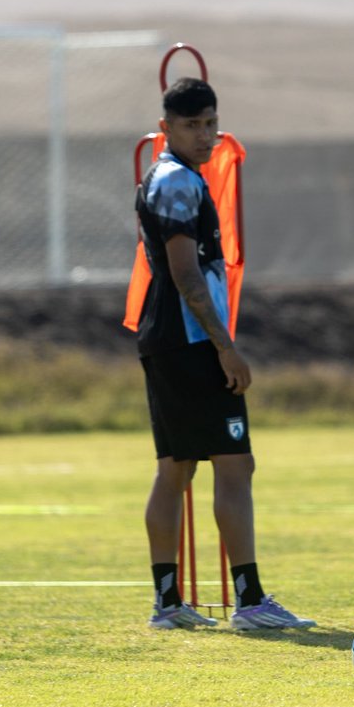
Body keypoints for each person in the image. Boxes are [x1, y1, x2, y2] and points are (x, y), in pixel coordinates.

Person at [136, 77, 314, 630]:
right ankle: (250, 602)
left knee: (178, 467)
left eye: (211, 123)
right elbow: (187, 274)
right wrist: (226, 349)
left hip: (169, 338)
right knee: (234, 464)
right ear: (166, 129)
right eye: (192, 125)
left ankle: (169, 603)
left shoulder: (176, 177)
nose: (205, 135)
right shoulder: (177, 183)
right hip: (187, 341)